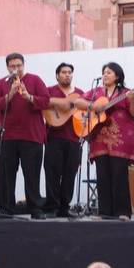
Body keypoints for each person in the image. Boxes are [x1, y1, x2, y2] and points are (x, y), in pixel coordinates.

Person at [74, 62, 134, 220]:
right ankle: (104, 212)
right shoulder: (96, 92)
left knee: (119, 175)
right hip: (99, 139)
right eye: (104, 72)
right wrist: (94, 106)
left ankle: (123, 212)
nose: (105, 75)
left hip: (120, 140)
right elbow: (77, 102)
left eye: (109, 72)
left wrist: (133, 99)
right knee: (102, 175)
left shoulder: (125, 92)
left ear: (117, 76)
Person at [0, 53, 50, 219]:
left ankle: (35, 208)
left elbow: (46, 101)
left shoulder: (35, 80)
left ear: (23, 65)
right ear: (7, 67)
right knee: (7, 174)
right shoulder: (1, 84)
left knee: (32, 174)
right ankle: (7, 208)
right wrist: (10, 94)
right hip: (7, 136)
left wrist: (28, 96)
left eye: (18, 65)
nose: (16, 69)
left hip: (32, 136)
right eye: (12, 66)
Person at [43, 63, 84, 217]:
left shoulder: (80, 93)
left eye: (70, 72)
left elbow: (85, 112)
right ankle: (52, 207)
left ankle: (64, 208)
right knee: (52, 172)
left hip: (74, 138)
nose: (67, 75)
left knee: (70, 174)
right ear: (57, 75)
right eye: (64, 72)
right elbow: (43, 102)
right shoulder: (49, 91)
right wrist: (62, 104)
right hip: (54, 137)